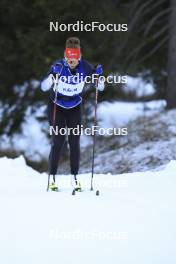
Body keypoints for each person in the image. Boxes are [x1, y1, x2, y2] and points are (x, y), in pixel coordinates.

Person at [41, 37, 104, 191]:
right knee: (58, 142)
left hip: (75, 107)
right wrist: (51, 77)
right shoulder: (58, 66)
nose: (72, 62)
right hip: (57, 106)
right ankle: (52, 179)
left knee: (74, 143)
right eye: (69, 58)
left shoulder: (85, 66)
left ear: (79, 57)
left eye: (75, 58)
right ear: (65, 56)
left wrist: (99, 78)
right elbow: (43, 87)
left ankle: (75, 179)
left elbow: (100, 87)